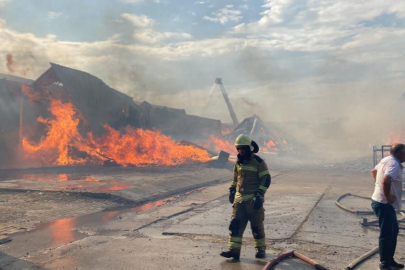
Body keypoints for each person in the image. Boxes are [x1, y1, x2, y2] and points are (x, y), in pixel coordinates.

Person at [220, 134, 271, 260]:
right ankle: (234, 251)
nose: (240, 151)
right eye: (238, 149)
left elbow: (266, 179)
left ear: (249, 148)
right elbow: (235, 178)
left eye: (243, 148)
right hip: (239, 201)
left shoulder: (258, 162)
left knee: (256, 227)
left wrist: (259, 195)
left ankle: (260, 249)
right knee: (235, 226)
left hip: (253, 201)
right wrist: (232, 191)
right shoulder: (239, 162)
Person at [371, 143, 405, 270]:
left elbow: (373, 171)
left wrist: (378, 186)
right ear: (399, 153)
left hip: (380, 202)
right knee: (386, 233)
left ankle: (390, 260)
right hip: (384, 204)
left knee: (393, 231)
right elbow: (386, 180)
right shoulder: (394, 164)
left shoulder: (386, 159)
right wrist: (387, 196)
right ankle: (384, 263)